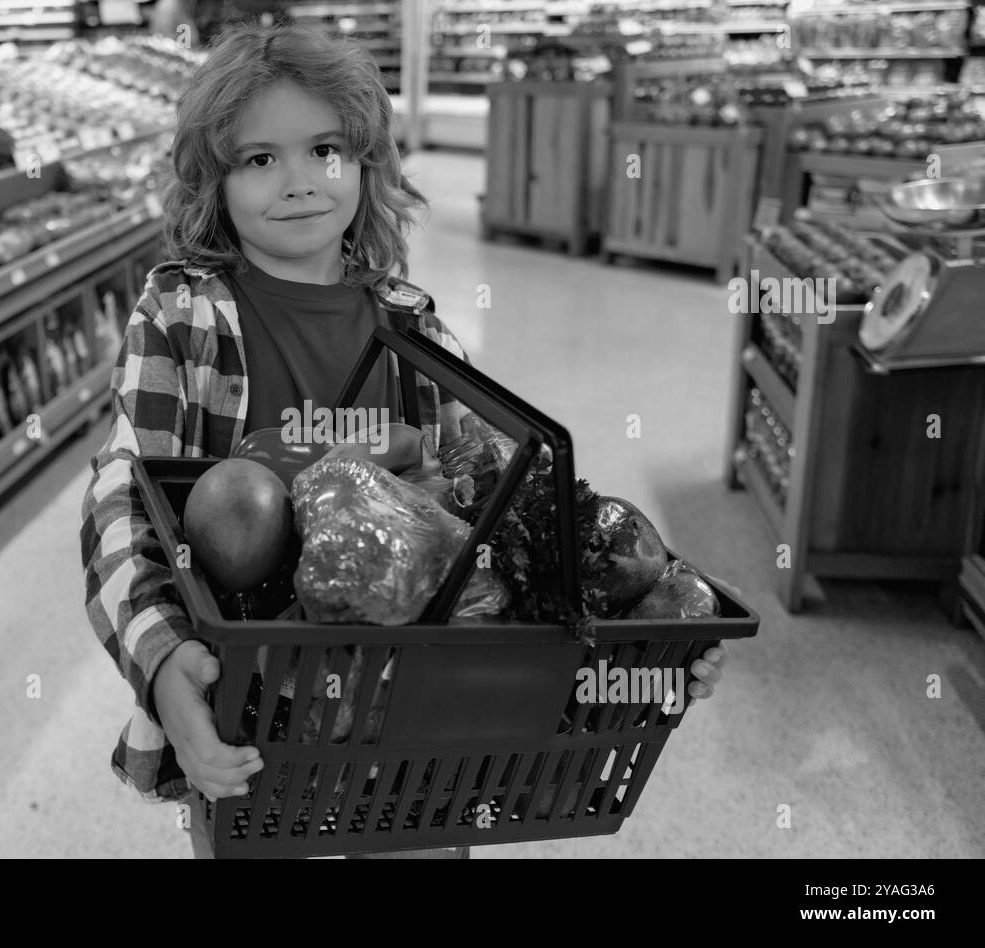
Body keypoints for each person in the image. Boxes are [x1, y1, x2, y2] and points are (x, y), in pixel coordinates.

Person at [79, 20, 725, 860]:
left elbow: (510, 498)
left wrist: (653, 627)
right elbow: (124, 497)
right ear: (214, 180)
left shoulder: (412, 324)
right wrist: (162, 663)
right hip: (257, 709)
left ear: (367, 162)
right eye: (259, 159)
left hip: (422, 717)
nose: (301, 182)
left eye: (326, 149)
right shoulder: (183, 318)